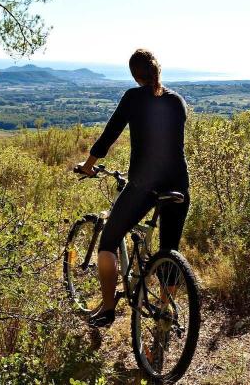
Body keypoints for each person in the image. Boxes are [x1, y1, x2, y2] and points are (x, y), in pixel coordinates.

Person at [76, 49, 190, 328]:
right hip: (179, 185)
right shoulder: (176, 101)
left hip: (145, 185)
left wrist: (89, 165)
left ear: (134, 74)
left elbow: (109, 135)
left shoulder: (133, 98)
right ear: (157, 70)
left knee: (108, 243)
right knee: (169, 251)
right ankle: (165, 314)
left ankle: (106, 308)